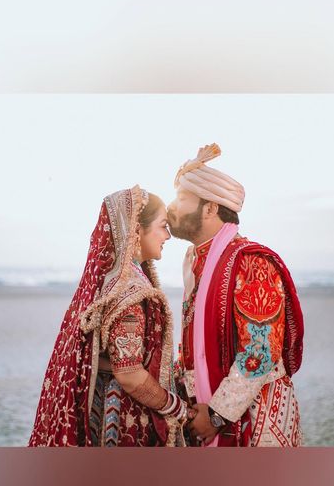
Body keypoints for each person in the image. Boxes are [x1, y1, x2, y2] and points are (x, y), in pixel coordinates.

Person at [167, 144, 304, 447]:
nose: (171, 207)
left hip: (257, 415)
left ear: (211, 208)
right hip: (202, 407)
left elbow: (261, 349)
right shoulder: (194, 259)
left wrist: (216, 415)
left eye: (181, 199)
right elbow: (193, 344)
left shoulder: (252, 263)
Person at [28, 185, 187, 447]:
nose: (168, 235)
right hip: (119, 415)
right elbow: (129, 374)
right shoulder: (130, 290)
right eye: (163, 226)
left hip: (104, 404)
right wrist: (176, 407)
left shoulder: (113, 281)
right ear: (137, 231)